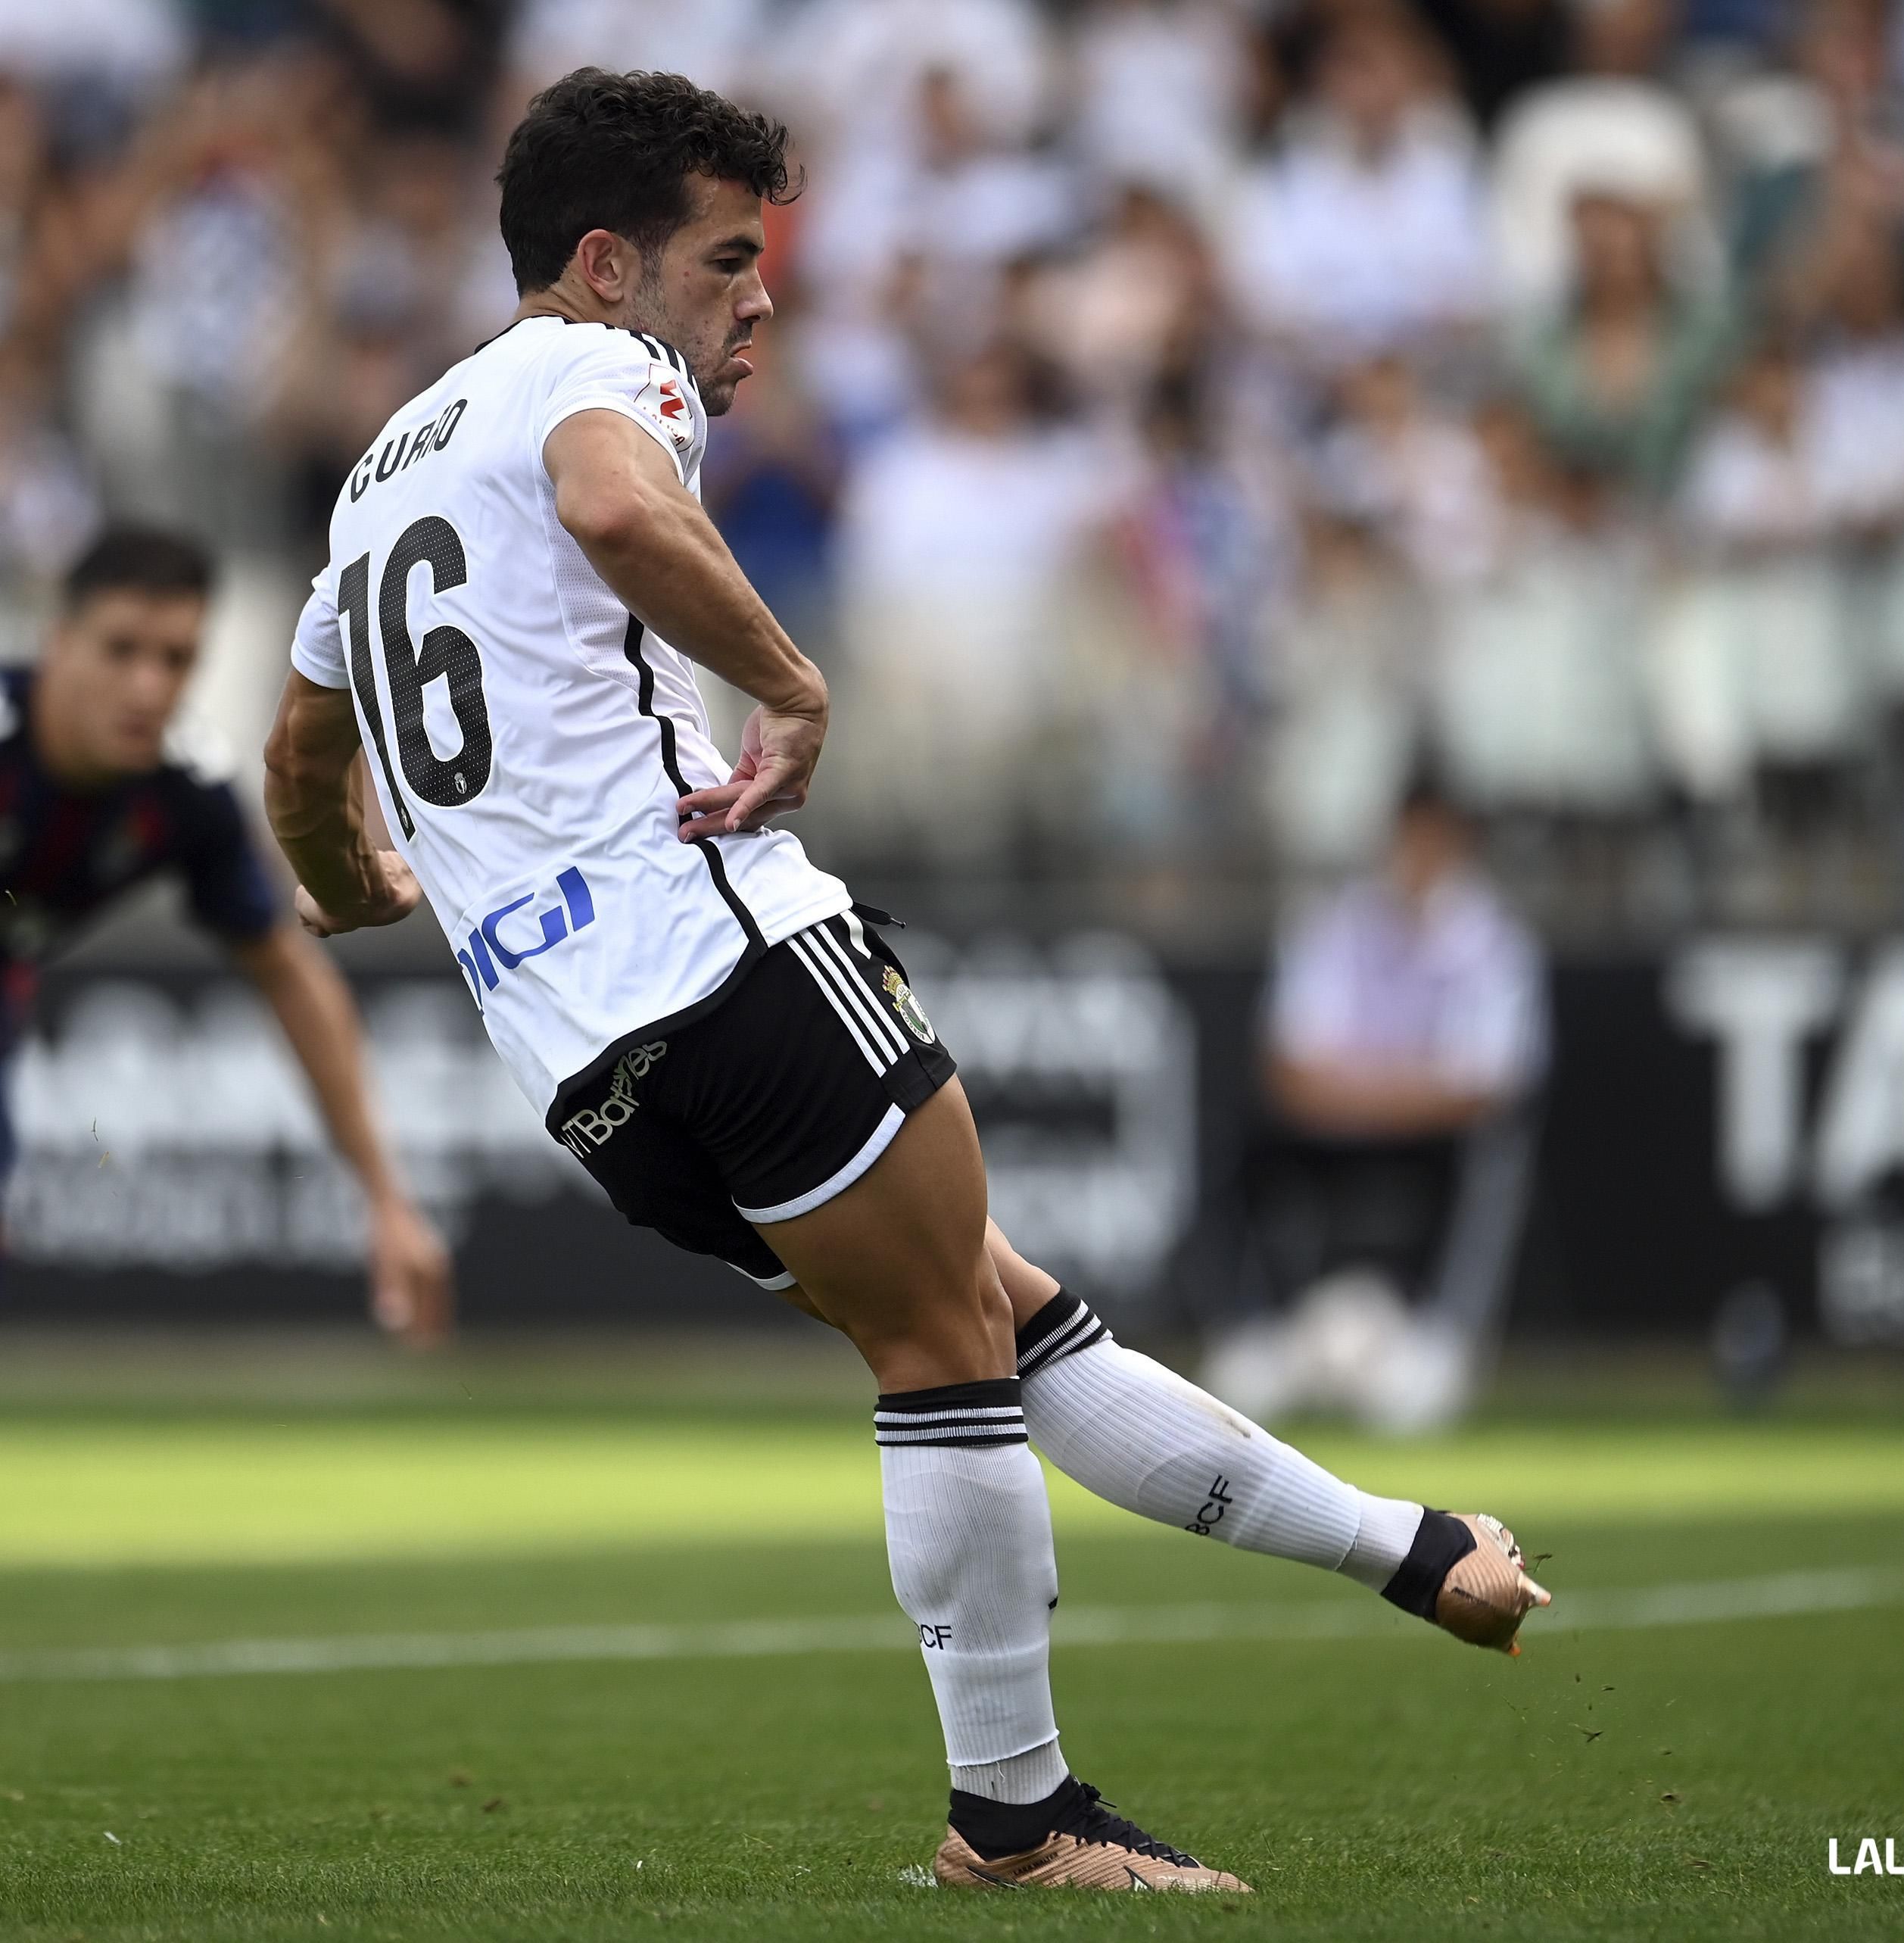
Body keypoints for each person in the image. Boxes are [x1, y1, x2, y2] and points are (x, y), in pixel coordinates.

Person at [261, 69, 1547, 1898]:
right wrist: (794, 686)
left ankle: (1415, 1554)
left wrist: (352, 881)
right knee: (952, 1346)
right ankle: (1014, 1818)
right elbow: (622, 513)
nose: (761, 296)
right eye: (726, 259)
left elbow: (304, 753)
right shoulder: (595, 374)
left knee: (987, 1314)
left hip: (585, 1066)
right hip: (725, 946)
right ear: (610, 265)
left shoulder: (386, 466)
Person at [0, 526, 453, 1340]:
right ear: (58, 643)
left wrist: (387, 1200)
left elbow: (289, 975)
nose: (147, 686)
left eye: (175, 659)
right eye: (121, 650)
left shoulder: (185, 796)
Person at [1211, 772, 1551, 1433]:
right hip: (1339, 1128)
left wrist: (1368, 1091)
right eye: (1407, 841)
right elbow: (1290, 1065)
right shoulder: (1337, 925)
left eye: (1432, 842)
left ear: (1458, 845)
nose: (1416, 859)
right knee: (1248, 1146)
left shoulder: (1494, 943)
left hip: (1435, 1140)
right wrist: (1395, 1091)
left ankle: (1437, 1343)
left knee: (1488, 1161)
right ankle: (1268, 1335)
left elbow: (1489, 1083)